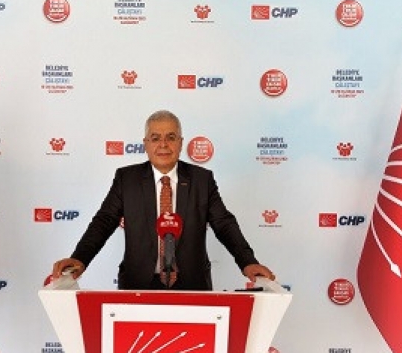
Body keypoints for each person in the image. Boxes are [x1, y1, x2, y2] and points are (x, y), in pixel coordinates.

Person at [52, 110, 275, 290]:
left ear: (181, 142)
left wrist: (248, 262)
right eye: (155, 138)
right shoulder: (126, 179)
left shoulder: (202, 180)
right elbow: (104, 221)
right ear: (145, 144)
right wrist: (80, 258)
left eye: (171, 137)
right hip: (138, 284)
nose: (163, 144)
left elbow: (224, 224)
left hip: (192, 286)